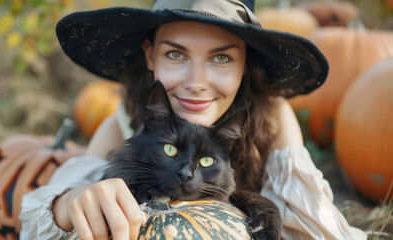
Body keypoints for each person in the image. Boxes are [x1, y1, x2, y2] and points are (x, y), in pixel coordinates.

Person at [19, 0, 367, 239]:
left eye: (221, 58)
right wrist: (69, 202)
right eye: (175, 53)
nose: (196, 83)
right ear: (150, 55)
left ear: (245, 63)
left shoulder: (274, 118)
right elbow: (34, 224)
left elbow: (320, 229)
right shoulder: (125, 118)